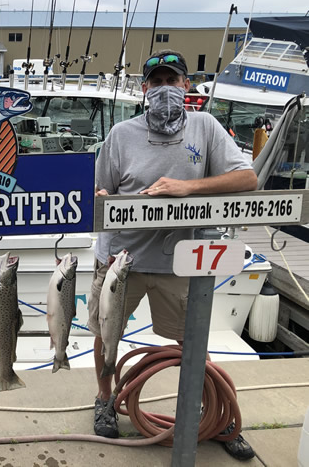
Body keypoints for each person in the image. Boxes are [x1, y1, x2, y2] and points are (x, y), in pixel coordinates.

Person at [87, 50, 258, 461]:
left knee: (191, 339)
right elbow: (97, 194)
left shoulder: (206, 126)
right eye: (157, 81)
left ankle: (216, 415)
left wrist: (187, 189)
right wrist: (104, 199)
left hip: (179, 259)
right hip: (119, 259)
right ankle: (104, 399)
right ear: (144, 89)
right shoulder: (121, 135)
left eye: (173, 80)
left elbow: (247, 178)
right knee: (104, 333)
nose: (166, 88)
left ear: (186, 85)